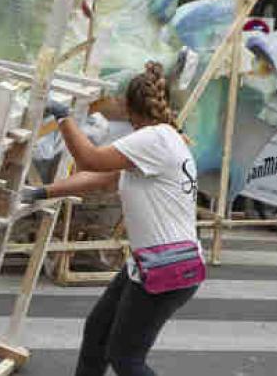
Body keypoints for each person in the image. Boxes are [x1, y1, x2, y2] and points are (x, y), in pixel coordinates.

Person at [24, 61, 201, 376]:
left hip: (166, 266)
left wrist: (63, 116)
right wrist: (42, 192)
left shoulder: (155, 139)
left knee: (125, 358)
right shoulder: (161, 140)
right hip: (151, 261)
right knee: (97, 332)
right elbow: (99, 177)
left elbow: (89, 158)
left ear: (129, 107)